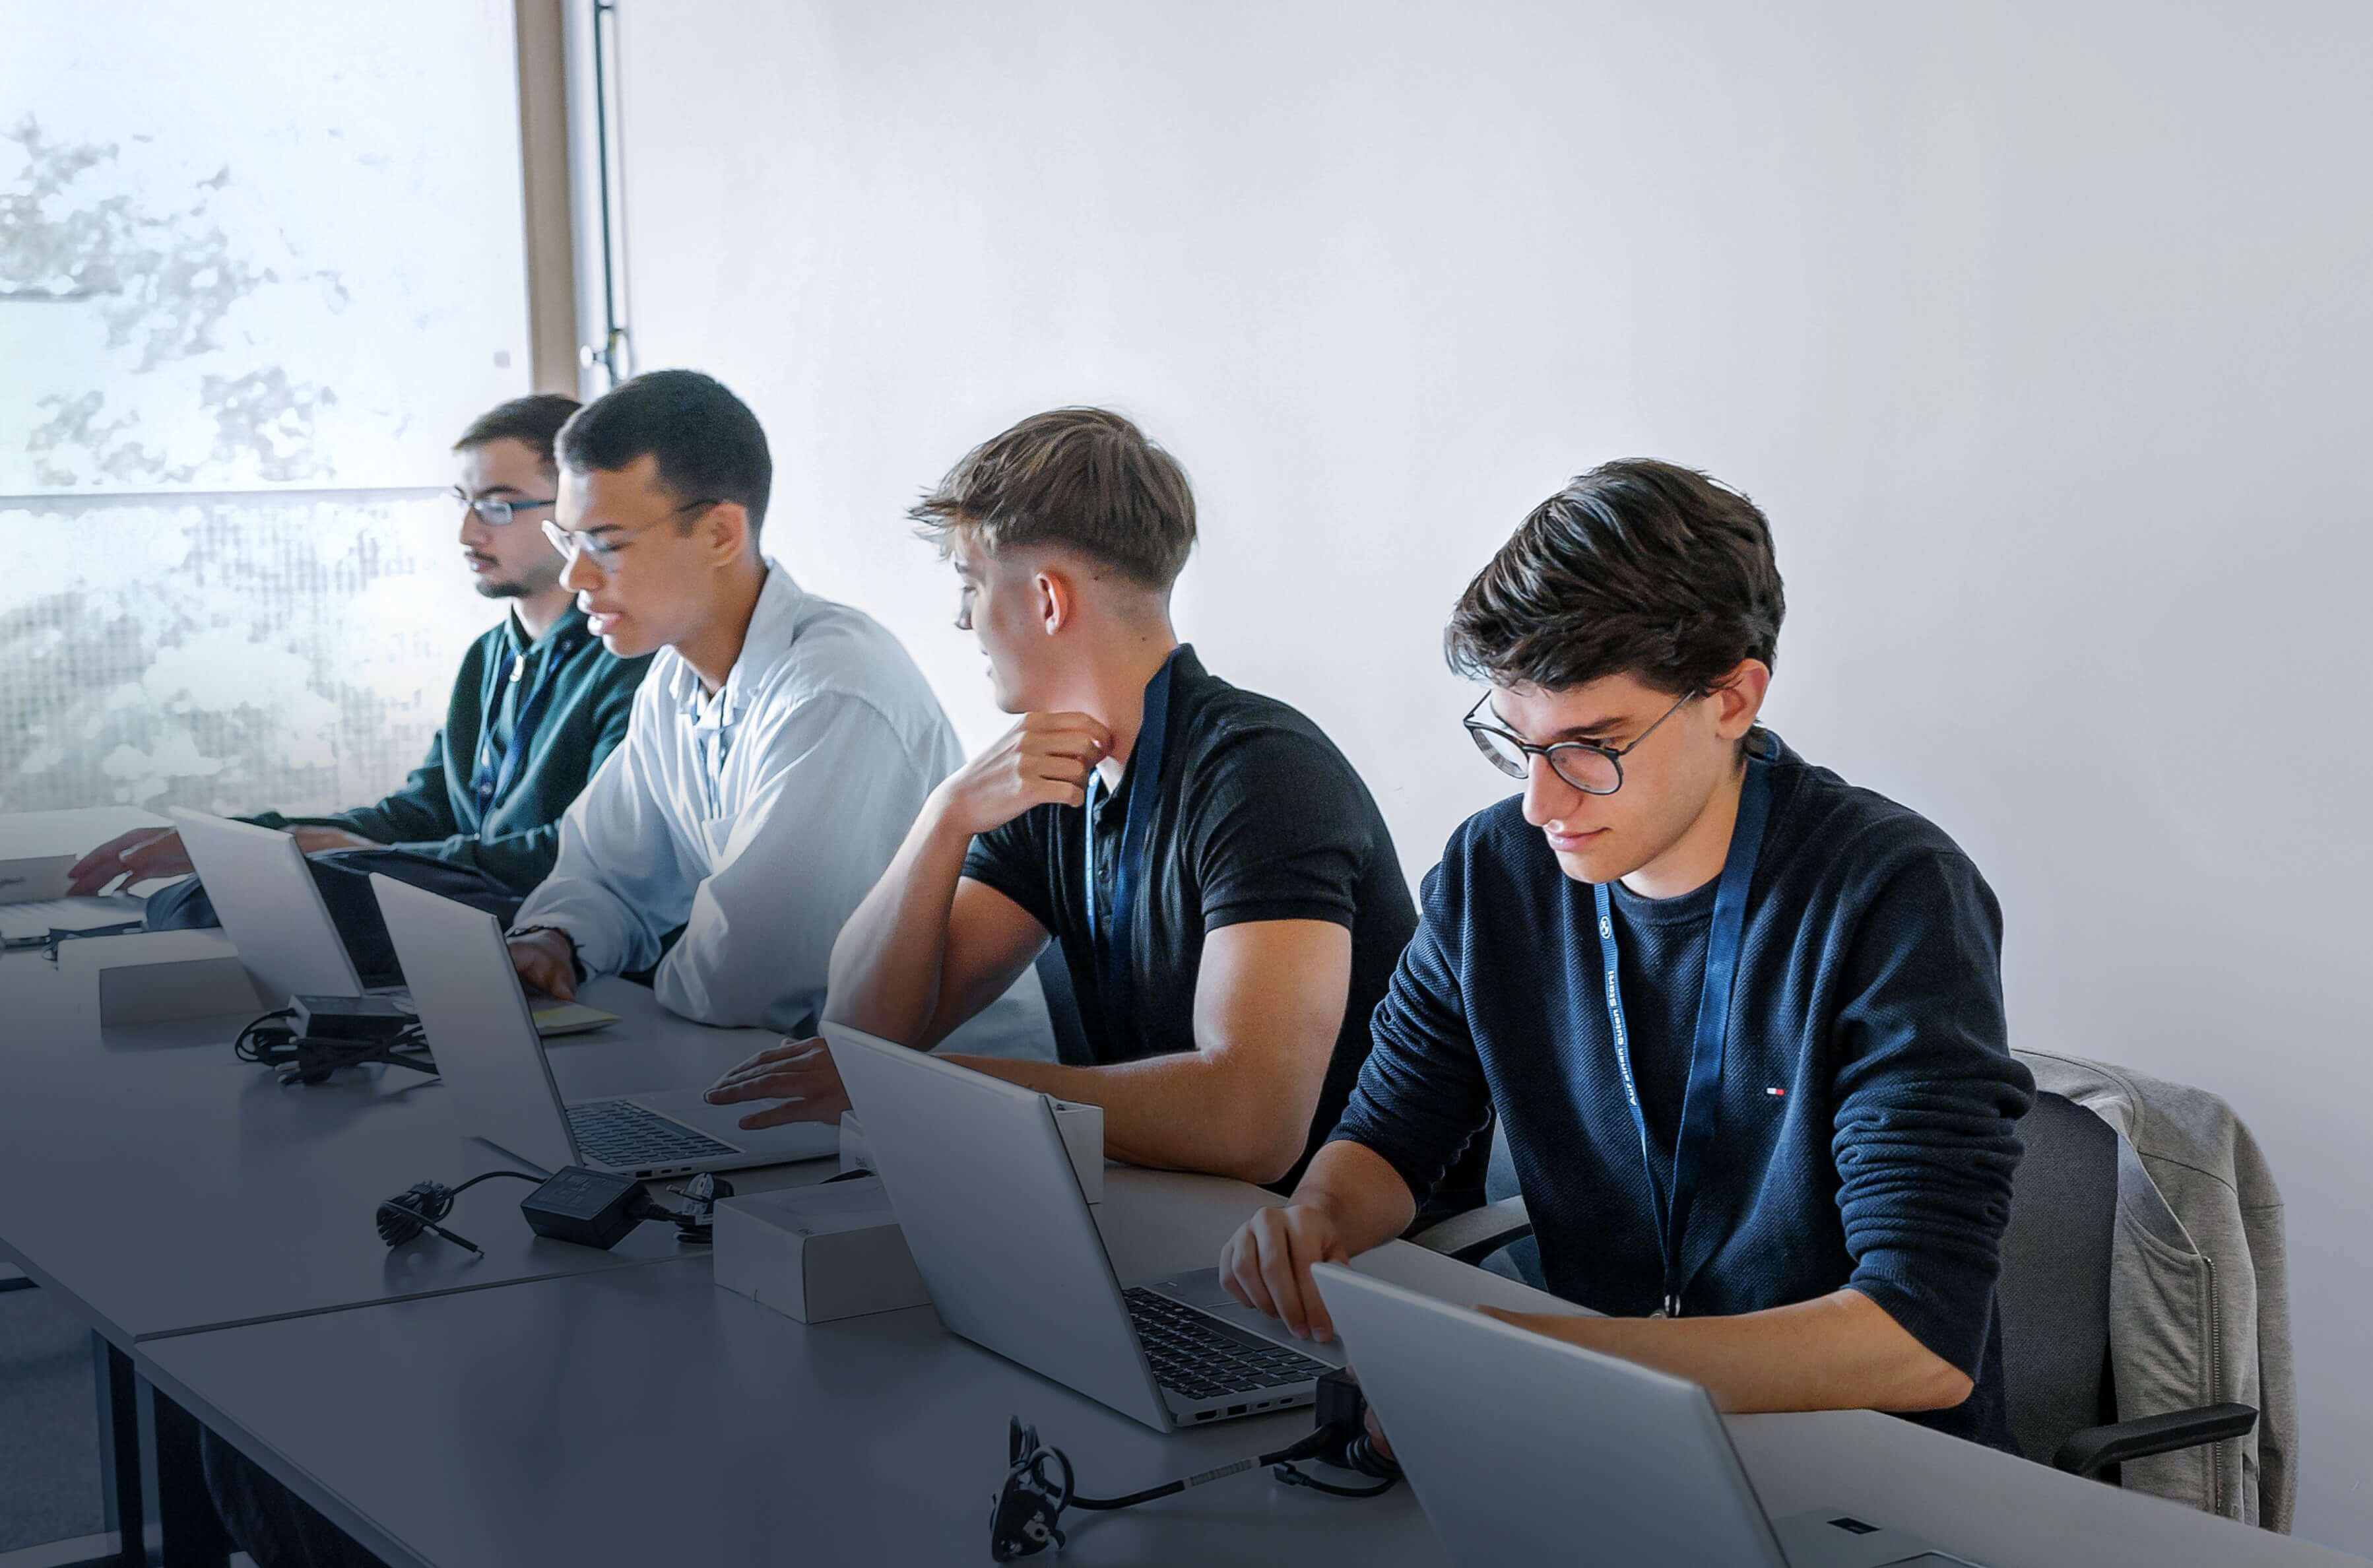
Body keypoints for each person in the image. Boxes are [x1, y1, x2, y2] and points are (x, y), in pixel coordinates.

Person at [1219, 460, 2034, 1447]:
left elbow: (1918, 1336)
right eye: (1518, 744)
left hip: (1860, 1463)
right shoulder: (1495, 871)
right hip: (1612, 1427)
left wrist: (1545, 1369)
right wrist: (1314, 1217)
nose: (1541, 803)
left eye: (1590, 747)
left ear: (1732, 699)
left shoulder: (1895, 898)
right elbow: (1391, 1137)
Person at [706, 408, 1420, 1191]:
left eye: (971, 583)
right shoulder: (1047, 783)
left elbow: (1251, 1126)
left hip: (1330, 1245)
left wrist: (941, 1088)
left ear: (1047, 599)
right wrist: (944, 818)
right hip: (1173, 1211)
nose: (961, 617)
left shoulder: (1261, 773)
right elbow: (863, 1033)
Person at [504, 369, 1047, 1049]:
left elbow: (745, 978)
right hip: (778, 1062)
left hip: (935, 1088)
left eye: (606, 544)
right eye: (569, 541)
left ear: (720, 533)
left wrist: (632, 982)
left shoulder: (833, 690)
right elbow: (610, 874)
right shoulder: (673, 682)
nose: (574, 578)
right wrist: (551, 938)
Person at [65, 395, 651, 921]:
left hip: (556, 931)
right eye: (464, 503)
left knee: (241, 909)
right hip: (465, 920)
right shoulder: (490, 656)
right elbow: (421, 815)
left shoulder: (627, 659)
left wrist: (375, 856)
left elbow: (584, 853)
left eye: (498, 507)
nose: (467, 533)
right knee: (201, 902)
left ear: (573, 510)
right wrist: (238, 841)